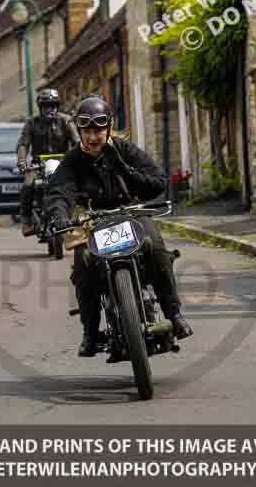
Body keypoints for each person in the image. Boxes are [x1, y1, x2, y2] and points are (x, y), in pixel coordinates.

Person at [45, 95, 193, 357]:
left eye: (98, 130)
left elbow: (157, 181)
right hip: (94, 219)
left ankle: (174, 314)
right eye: (87, 131)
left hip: (132, 213)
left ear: (109, 128)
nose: (93, 137)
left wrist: (122, 167)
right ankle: (90, 333)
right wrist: (58, 216)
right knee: (83, 264)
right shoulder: (72, 160)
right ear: (79, 131)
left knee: (157, 248)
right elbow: (59, 192)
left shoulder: (125, 150)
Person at [17, 88, 79, 236]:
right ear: (40, 108)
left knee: (77, 184)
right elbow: (23, 144)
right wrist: (21, 161)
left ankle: (79, 217)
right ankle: (26, 221)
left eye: (53, 105)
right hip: (38, 165)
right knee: (27, 185)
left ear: (57, 106)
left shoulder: (66, 120)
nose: (49, 109)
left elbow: (76, 141)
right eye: (46, 106)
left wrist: (79, 157)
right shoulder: (31, 123)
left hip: (62, 163)